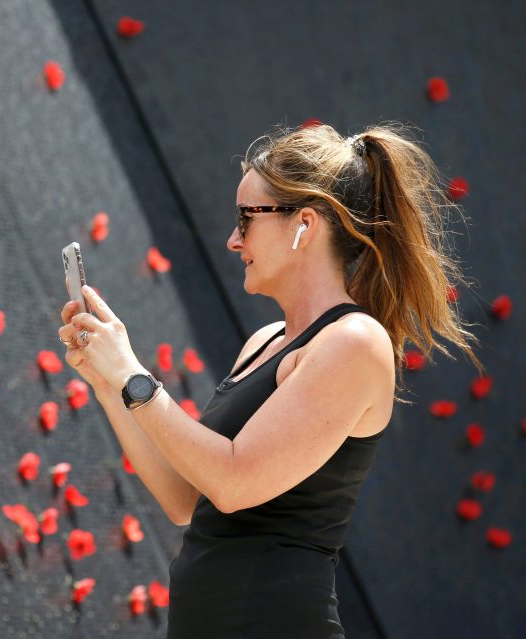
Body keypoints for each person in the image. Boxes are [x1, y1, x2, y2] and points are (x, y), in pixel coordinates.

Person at [57, 122, 482, 638]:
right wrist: (109, 382)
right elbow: (182, 497)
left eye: (246, 219)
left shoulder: (355, 342)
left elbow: (235, 483)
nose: (233, 240)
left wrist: (133, 374)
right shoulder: (266, 341)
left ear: (304, 224)